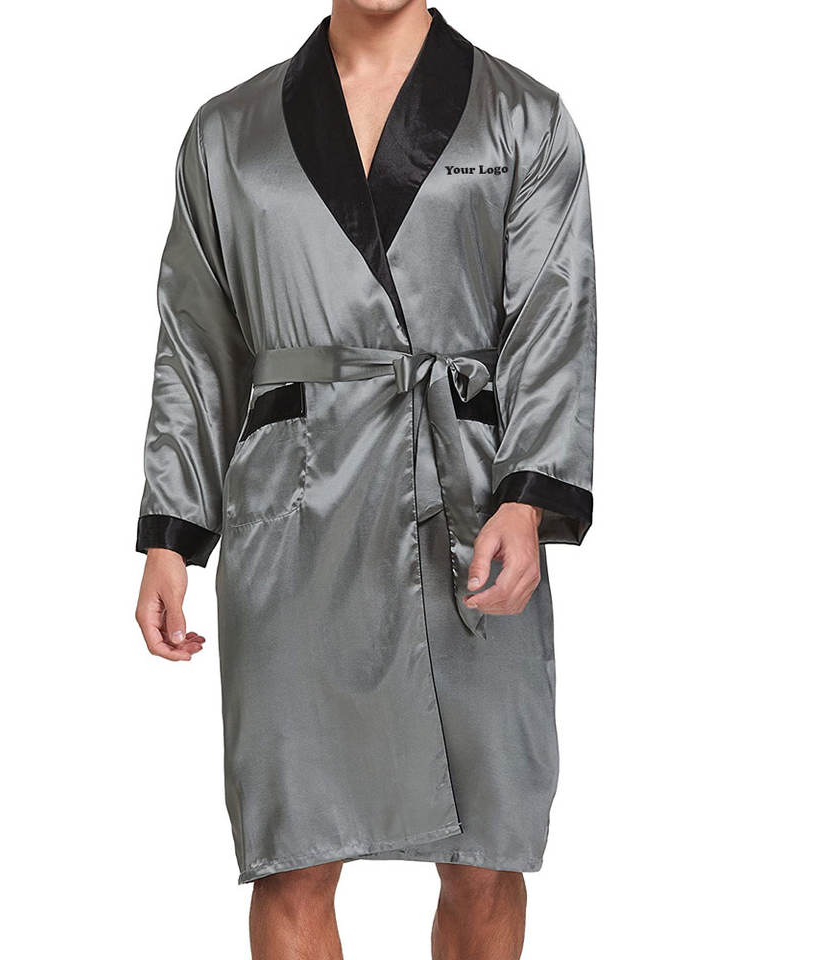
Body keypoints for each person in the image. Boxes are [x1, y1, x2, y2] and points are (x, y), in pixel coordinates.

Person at [134, 1, 596, 956]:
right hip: (294, 515)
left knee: (485, 855)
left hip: (467, 505)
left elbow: (555, 316)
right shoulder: (230, 132)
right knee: (294, 851)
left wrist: (528, 496)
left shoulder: (523, 118)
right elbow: (196, 342)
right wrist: (172, 536)